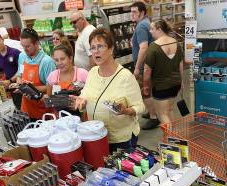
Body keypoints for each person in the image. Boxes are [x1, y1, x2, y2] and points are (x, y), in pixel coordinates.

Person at [74, 28, 144, 152]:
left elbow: (140, 107)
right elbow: (85, 93)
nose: (96, 51)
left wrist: (126, 110)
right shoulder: (92, 72)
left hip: (121, 140)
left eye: (100, 46)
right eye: (93, 47)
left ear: (111, 49)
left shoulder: (125, 76)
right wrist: (81, 100)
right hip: (96, 135)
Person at [143, 19, 184, 125]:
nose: (150, 31)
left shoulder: (154, 46)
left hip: (161, 87)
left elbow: (147, 71)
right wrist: (181, 81)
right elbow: (180, 65)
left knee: (162, 114)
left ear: (159, 29)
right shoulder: (176, 42)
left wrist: (146, 86)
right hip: (175, 84)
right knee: (169, 110)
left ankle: (171, 140)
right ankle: (176, 138)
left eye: (152, 29)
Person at [13, 28, 56, 120]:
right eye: (22, 46)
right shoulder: (22, 56)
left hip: (43, 112)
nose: (25, 49)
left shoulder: (47, 62)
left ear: (37, 43)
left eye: (28, 46)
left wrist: (28, 89)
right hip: (26, 110)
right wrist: (19, 83)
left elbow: (51, 89)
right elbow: (20, 75)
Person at [130, 1, 158, 130]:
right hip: (150, 64)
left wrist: (137, 67)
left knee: (145, 92)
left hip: (143, 66)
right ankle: (152, 112)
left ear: (142, 12)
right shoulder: (147, 22)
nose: (132, 14)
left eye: (135, 12)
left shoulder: (141, 26)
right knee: (149, 90)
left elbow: (143, 47)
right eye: (131, 11)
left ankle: (154, 117)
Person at [46, 44, 88, 114]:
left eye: (62, 59)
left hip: (82, 119)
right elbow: (49, 98)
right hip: (60, 119)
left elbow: (91, 98)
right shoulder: (52, 76)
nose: (59, 63)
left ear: (70, 58)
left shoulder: (83, 74)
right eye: (56, 60)